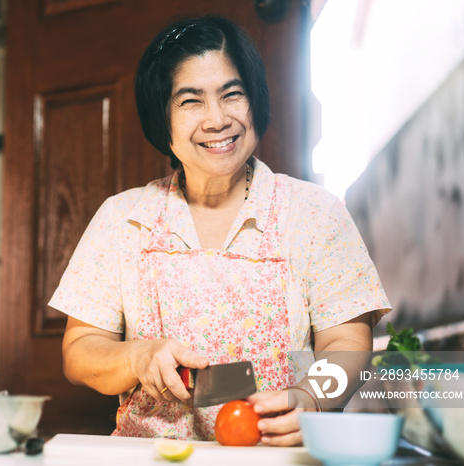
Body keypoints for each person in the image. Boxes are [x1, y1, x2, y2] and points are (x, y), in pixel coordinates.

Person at [49, 16, 390, 445]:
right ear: (161, 118)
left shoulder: (315, 214)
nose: (217, 120)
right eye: (190, 101)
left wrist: (313, 399)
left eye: (233, 95)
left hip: (274, 454)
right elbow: (80, 351)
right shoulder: (123, 219)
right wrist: (138, 356)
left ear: (256, 102)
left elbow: (348, 341)